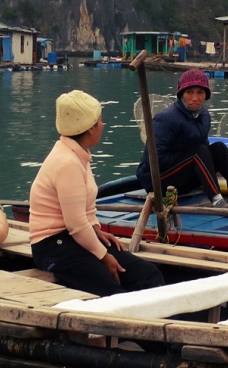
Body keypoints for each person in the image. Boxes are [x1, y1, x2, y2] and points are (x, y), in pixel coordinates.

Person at [29, 90, 164, 297]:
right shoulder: (67, 162)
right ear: (90, 128)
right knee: (111, 291)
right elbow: (75, 224)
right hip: (52, 246)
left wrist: (96, 230)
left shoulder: (78, 154)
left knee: (148, 274)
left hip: (72, 237)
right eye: (100, 121)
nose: (102, 125)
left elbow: (84, 211)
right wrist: (103, 256)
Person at [136, 69, 228, 209]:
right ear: (181, 94)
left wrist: (195, 158)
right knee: (199, 151)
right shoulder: (167, 119)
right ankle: (217, 201)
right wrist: (190, 156)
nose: (195, 98)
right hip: (158, 181)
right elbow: (154, 162)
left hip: (184, 176)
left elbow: (205, 150)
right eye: (189, 92)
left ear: (206, 95)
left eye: (200, 92)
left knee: (218, 148)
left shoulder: (204, 116)